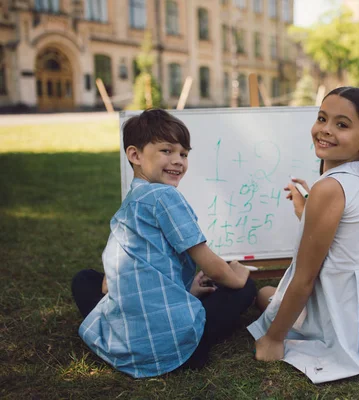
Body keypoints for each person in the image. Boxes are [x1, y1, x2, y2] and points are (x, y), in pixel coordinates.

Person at [247, 87, 359, 384]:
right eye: (322, 118)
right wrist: (306, 212)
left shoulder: (329, 188)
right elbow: (346, 235)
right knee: (272, 296)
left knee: (265, 295)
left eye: (341, 125)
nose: (325, 130)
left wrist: (273, 339)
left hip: (344, 316)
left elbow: (305, 278)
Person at [71, 108, 256, 378]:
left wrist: (188, 288)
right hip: (180, 349)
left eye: (183, 154)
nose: (178, 161)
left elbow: (109, 282)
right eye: (166, 151)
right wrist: (238, 278)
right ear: (135, 155)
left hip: (126, 341)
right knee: (242, 288)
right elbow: (211, 265)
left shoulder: (133, 200)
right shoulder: (166, 197)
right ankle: (181, 342)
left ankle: (125, 338)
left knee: (84, 279)